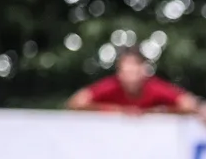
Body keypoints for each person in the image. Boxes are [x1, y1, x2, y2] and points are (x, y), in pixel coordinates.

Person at [65, 47, 197, 114]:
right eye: (127, 69)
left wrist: (155, 112)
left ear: (144, 70)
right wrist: (116, 111)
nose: (131, 74)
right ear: (119, 72)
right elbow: (76, 102)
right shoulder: (111, 85)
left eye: (134, 68)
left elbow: (189, 104)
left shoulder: (154, 86)